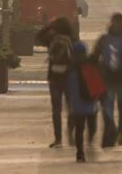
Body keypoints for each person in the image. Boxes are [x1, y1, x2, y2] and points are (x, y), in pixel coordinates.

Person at [91, 14, 122, 147]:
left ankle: (110, 130)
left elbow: (94, 57)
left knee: (108, 106)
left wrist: (99, 71)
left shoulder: (104, 39)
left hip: (107, 79)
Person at [36, 17, 75, 148]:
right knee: (71, 108)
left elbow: (38, 37)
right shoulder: (72, 39)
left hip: (54, 76)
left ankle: (58, 138)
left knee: (56, 109)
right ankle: (71, 134)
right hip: (69, 77)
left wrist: (49, 25)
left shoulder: (51, 38)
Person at [65, 41, 98, 163]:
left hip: (77, 105)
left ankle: (80, 152)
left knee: (79, 129)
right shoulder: (90, 67)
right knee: (92, 126)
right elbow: (97, 86)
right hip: (90, 105)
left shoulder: (70, 69)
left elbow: (68, 88)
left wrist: (69, 103)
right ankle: (89, 139)